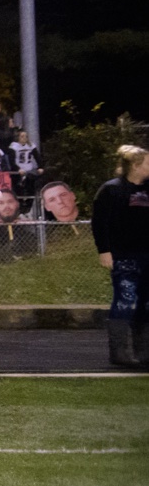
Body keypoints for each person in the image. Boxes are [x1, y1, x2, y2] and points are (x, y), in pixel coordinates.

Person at [92, 145, 149, 366]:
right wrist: (104, 251)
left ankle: (144, 351)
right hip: (124, 255)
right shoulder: (111, 190)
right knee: (125, 301)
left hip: (147, 254)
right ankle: (119, 352)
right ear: (135, 165)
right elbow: (100, 223)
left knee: (145, 303)